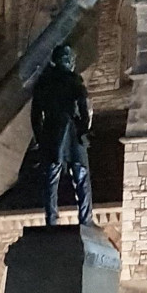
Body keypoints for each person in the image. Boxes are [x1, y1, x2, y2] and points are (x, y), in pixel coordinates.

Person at [30, 43, 94, 226]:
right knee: (80, 175)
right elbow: (83, 107)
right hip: (72, 130)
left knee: (51, 177)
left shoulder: (43, 83)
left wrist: (40, 138)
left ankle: (51, 219)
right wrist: (84, 130)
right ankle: (86, 219)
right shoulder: (74, 80)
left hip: (52, 131)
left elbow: (35, 116)